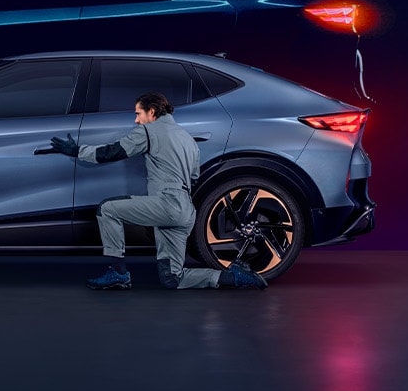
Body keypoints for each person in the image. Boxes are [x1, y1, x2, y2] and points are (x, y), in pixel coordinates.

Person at [51, 92, 267, 291]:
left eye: (138, 114)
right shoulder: (188, 139)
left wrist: (76, 150)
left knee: (107, 209)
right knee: (172, 278)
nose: (136, 120)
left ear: (152, 112)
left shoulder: (148, 130)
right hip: (185, 211)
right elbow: (193, 178)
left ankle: (119, 274)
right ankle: (235, 277)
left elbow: (113, 152)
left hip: (167, 204)